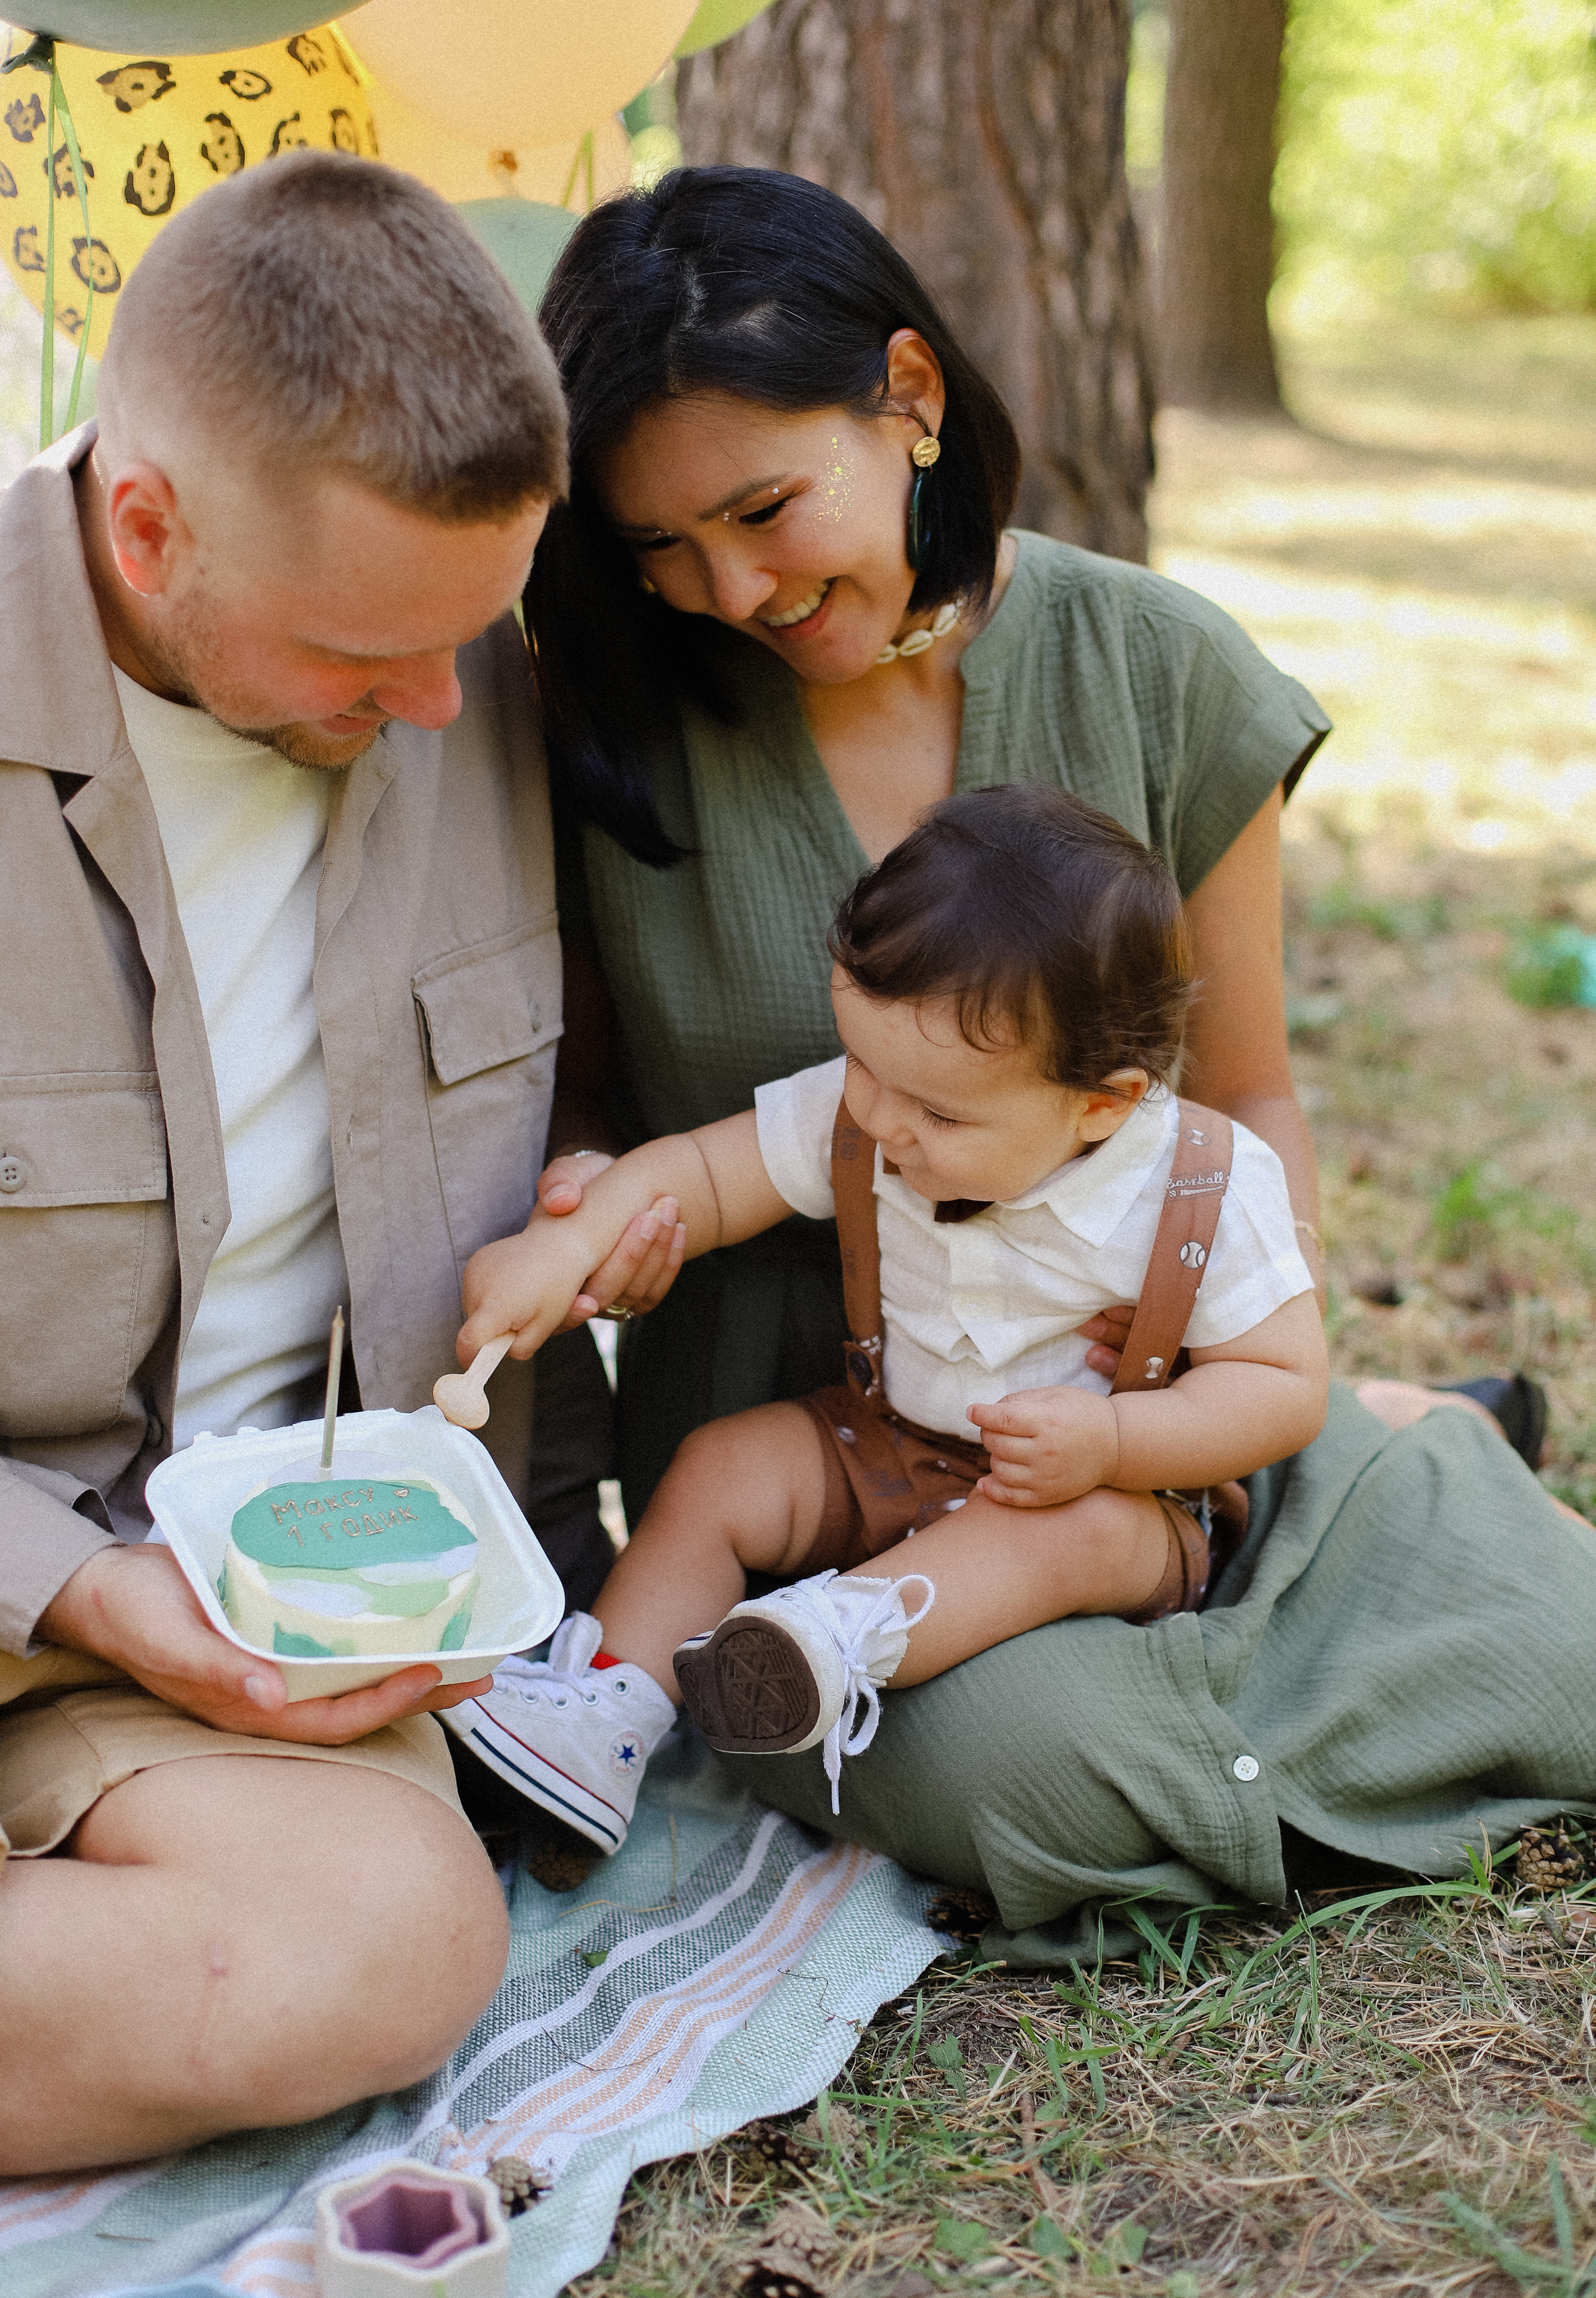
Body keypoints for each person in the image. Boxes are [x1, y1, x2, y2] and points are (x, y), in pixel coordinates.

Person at [496, 166, 1595, 1959]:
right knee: (1028, 1769)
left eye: (765, 510)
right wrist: (593, 1188)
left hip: (1137, 1423)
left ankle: (1394, 1460)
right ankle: (1388, 1511)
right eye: (663, 550)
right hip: (819, 1492)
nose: (729, 588)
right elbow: (601, 1103)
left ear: (909, 400)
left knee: (1556, 1641)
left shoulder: (1159, 669)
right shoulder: (611, 729)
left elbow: (1247, 1103)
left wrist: (1182, 1403)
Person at [0, 151, 660, 2176]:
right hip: (58, 1566)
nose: (436, 706)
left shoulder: (467, 679)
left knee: (388, 1941)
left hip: (228, 1640)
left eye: (472, 639)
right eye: (363, 659)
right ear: (147, 522)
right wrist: (80, 1590)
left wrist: (608, 1191)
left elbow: (582, 1093)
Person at [450, 787, 1329, 1852]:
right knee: (723, 1468)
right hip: (888, 1441)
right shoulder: (885, 1100)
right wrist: (564, 1248)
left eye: (939, 1113)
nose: (877, 1117)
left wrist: (1110, 1442)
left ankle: (836, 1637)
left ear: (1103, 1102)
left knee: (1068, 1538)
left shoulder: (1205, 1187)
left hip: (1099, 1496)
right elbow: (703, 1175)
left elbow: (1285, 1386)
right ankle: (604, 1714)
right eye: (860, 1063)